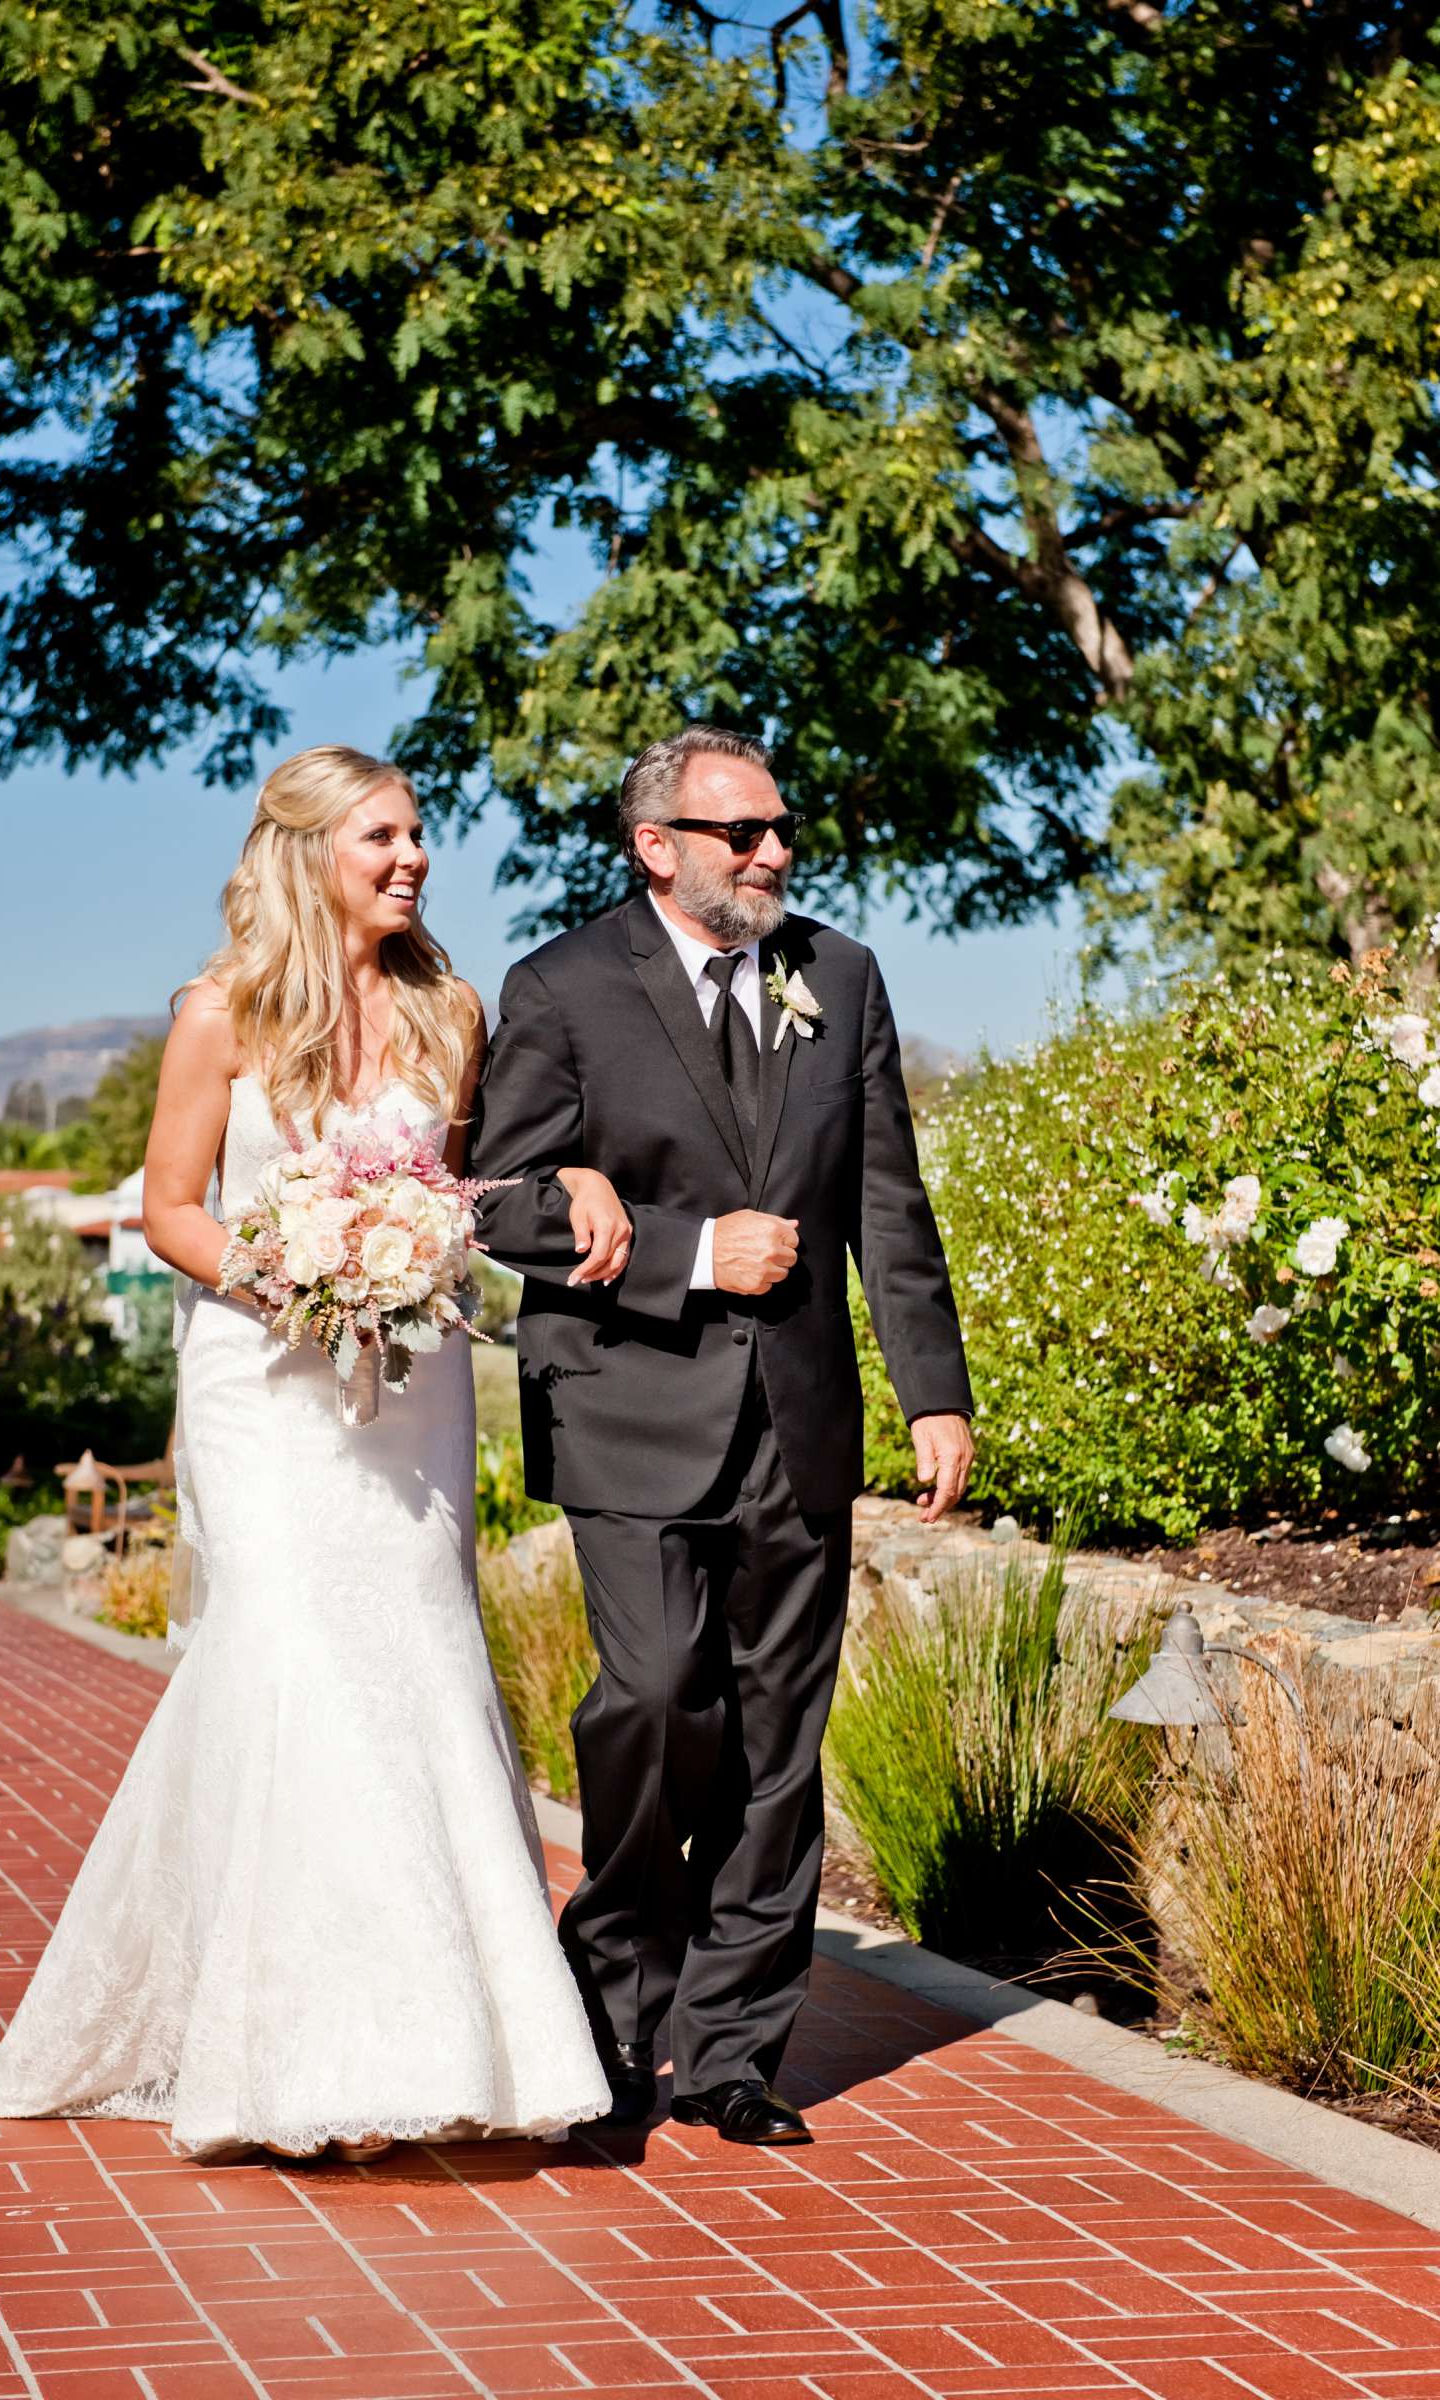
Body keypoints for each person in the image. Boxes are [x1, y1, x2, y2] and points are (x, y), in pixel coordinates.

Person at [0, 745, 616, 2162]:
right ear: (308, 849)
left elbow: (470, 1189)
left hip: (414, 1383)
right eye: (383, 834)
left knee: (416, 1651)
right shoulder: (224, 1013)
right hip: (266, 1384)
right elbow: (173, 1208)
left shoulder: (451, 1011)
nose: (414, 857)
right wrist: (299, 1283)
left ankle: (449, 2043)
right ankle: (287, 2049)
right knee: (288, 1652)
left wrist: (554, 1185)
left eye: (420, 833)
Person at [469, 724, 974, 2148]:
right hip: (628, 1410)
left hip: (797, 1422)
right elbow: (501, 1203)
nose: (771, 854)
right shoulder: (561, 987)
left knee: (777, 1741)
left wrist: (934, 1389)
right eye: (739, 833)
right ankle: (619, 2011)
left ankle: (739, 2049)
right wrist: (689, 1254)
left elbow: (890, 1200)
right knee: (653, 1701)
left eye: (779, 829)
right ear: (657, 847)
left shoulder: (843, 973)